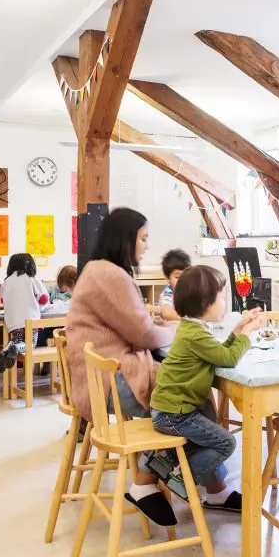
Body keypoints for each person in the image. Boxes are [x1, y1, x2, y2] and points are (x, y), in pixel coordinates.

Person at [65, 207, 178, 526]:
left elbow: (134, 326)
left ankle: (202, 483)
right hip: (110, 381)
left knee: (187, 395)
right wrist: (174, 330)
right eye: (143, 238)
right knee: (187, 398)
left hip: (97, 378)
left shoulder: (97, 269)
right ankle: (150, 482)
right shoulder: (111, 275)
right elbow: (143, 334)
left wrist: (156, 328)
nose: (146, 246)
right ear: (125, 239)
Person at [150, 266, 263, 512]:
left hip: (171, 410)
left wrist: (237, 329)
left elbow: (219, 352)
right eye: (221, 297)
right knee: (226, 443)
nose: (224, 302)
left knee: (213, 439)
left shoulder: (193, 328)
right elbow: (229, 358)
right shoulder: (195, 334)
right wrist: (247, 334)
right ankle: (180, 478)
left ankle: (168, 463)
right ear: (205, 303)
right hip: (174, 414)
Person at [0, 253, 50, 372]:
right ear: (31, 265)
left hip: (13, 322)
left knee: (18, 339)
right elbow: (44, 299)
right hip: (30, 320)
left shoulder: (6, 281)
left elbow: (3, 299)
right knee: (30, 344)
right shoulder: (32, 278)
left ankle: (4, 351)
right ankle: (15, 348)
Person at [158, 248, 191, 322]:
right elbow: (166, 313)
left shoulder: (189, 290)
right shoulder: (167, 294)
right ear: (168, 278)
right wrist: (190, 321)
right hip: (174, 327)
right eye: (177, 277)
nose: (182, 280)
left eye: (186, 275)